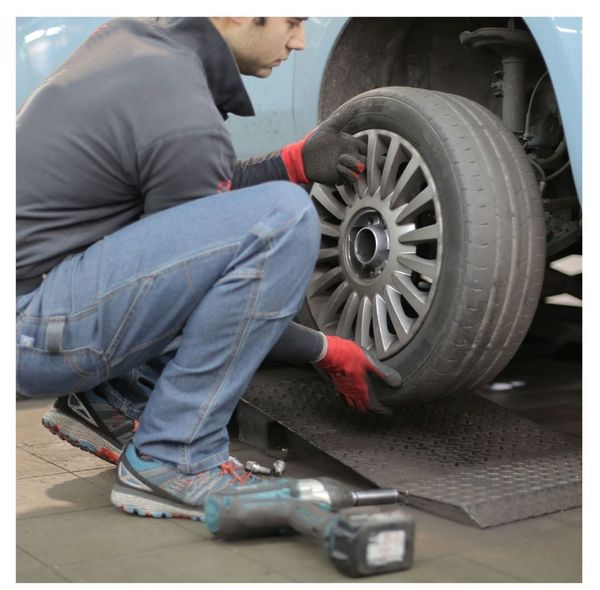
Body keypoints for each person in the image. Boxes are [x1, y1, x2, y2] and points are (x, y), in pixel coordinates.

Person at [16, 17, 402, 520]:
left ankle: (114, 398)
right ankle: (178, 456)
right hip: (34, 332)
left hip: (35, 302)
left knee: (239, 219)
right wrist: (325, 348)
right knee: (281, 219)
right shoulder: (182, 111)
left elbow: (182, 209)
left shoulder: (136, 49)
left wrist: (291, 162)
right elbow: (198, 285)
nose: (299, 41)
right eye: (291, 20)